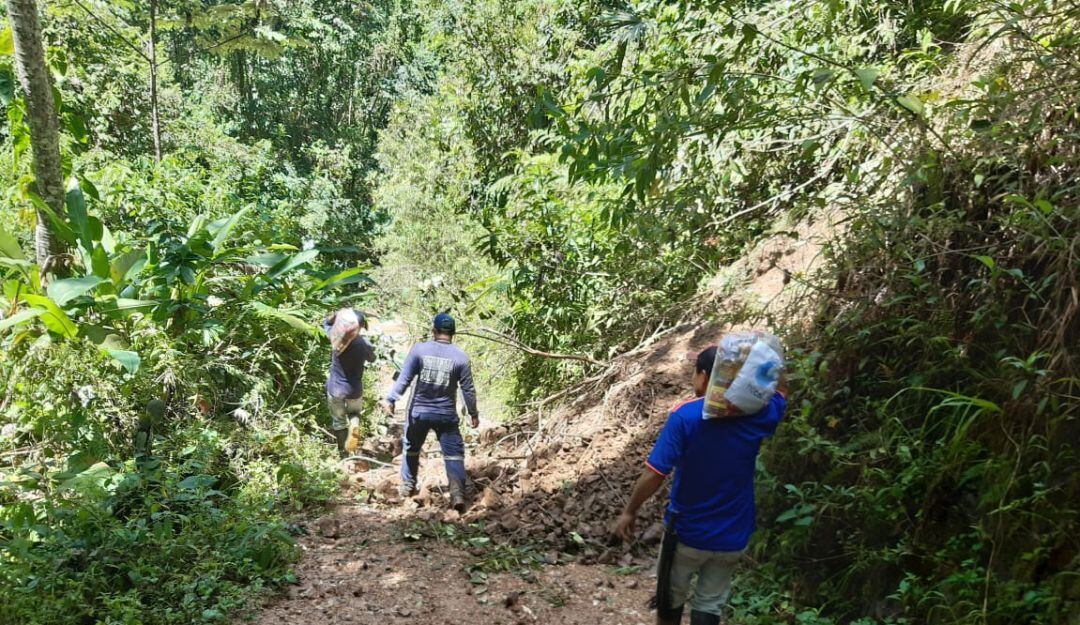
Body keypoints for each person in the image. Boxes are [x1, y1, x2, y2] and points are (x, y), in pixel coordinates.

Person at [614, 344, 787, 625]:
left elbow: (656, 473)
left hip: (686, 534)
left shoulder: (686, 416)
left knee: (670, 599)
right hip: (734, 534)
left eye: (695, 373)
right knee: (710, 603)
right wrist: (767, 353)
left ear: (706, 376)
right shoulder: (759, 414)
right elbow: (781, 391)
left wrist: (630, 511)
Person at [380, 313, 479, 512]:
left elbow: (404, 379)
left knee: (412, 448)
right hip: (446, 415)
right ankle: (457, 492)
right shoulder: (461, 357)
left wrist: (391, 399)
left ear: (434, 331)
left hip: (419, 413)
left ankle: (408, 487)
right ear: (453, 333)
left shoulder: (419, 350)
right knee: (453, 454)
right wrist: (473, 413)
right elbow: (467, 389)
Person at [323, 308, 377, 458]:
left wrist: (333, 317)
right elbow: (373, 358)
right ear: (361, 327)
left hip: (335, 389)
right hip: (354, 390)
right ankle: (354, 424)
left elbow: (325, 324)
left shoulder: (336, 338)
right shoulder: (362, 343)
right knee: (354, 413)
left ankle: (343, 455)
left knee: (338, 422)